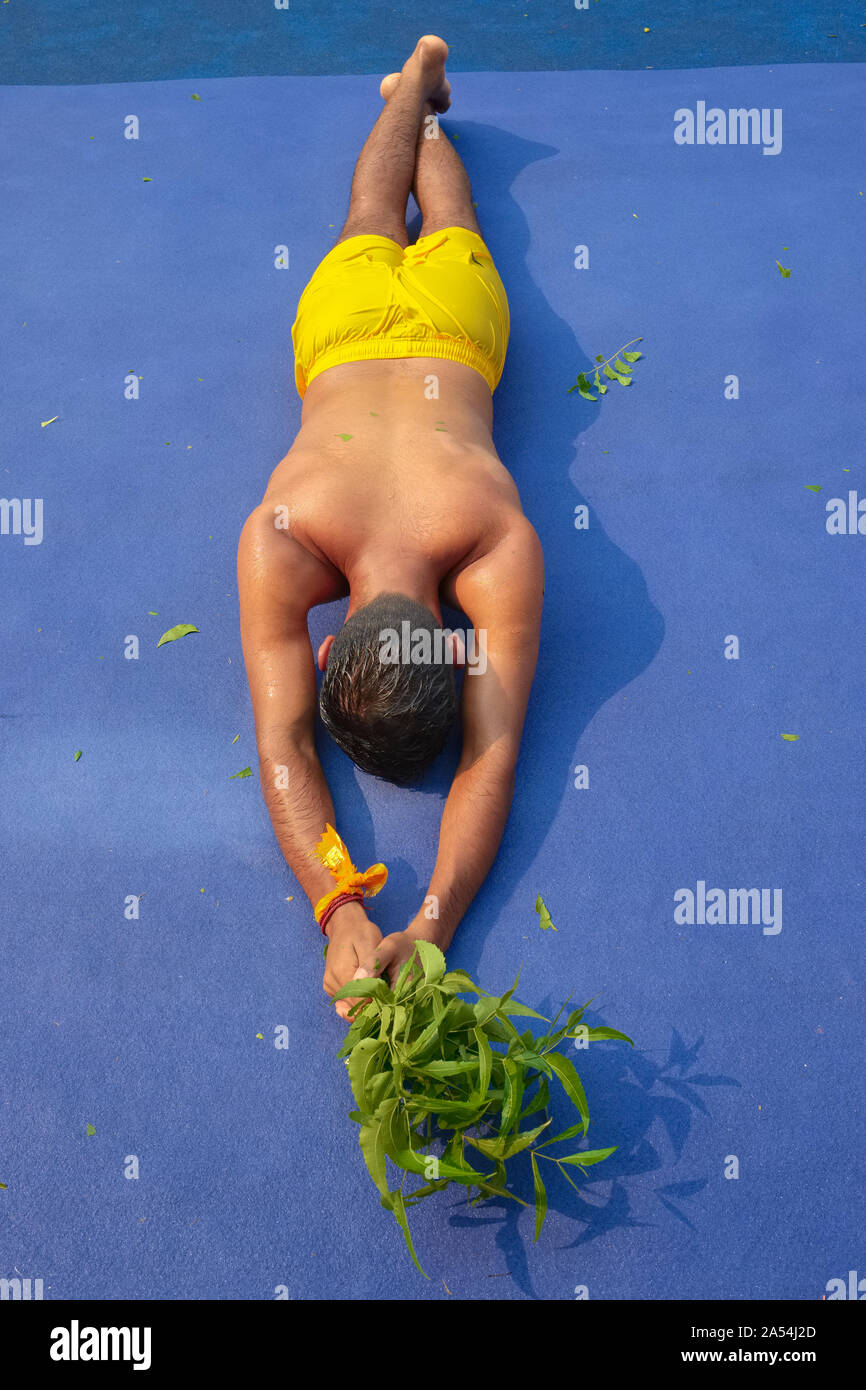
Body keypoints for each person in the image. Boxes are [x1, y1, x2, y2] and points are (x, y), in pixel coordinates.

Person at [237, 36, 543, 1015]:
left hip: (454, 331)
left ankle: (417, 94)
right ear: (330, 651)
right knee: (374, 219)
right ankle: (413, 93)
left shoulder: (494, 539)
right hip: (344, 333)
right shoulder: (280, 538)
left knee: (426, 216)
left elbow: (292, 746)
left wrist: (361, 910)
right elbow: (291, 741)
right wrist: (359, 909)